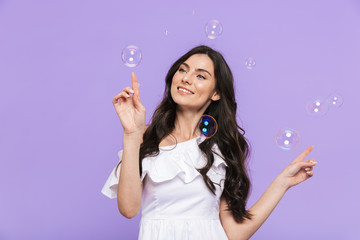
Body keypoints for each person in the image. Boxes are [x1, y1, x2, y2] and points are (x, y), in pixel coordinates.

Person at [101, 45, 318, 240]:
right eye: (183, 70)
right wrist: (131, 133)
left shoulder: (220, 148)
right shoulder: (145, 138)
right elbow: (128, 209)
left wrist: (283, 183)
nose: (186, 78)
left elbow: (235, 233)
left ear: (216, 93)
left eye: (201, 76)